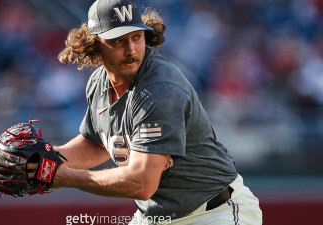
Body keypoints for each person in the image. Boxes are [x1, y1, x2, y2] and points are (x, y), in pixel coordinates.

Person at [29, 0, 263, 224]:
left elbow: (142, 183)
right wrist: (43, 161)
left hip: (213, 212)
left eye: (137, 37)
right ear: (95, 43)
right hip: (157, 217)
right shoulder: (99, 83)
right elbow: (96, 144)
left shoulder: (159, 88)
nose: (131, 49)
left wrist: (65, 177)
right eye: (119, 40)